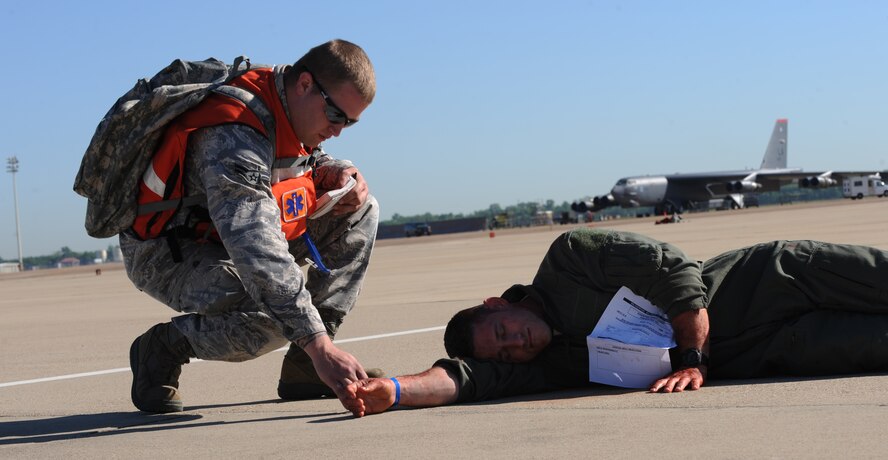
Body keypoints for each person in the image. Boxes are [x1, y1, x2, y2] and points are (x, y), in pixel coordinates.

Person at [344, 228, 888, 417]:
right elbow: (467, 380)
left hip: (772, 279)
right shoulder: (551, 366)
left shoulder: (571, 259)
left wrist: (692, 358)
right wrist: (393, 389)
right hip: (776, 347)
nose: (516, 345)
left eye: (504, 332)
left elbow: (672, 269)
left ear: (497, 304)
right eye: (506, 353)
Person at [123, 39, 382, 413]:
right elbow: (257, 248)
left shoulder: (288, 105)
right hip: (169, 252)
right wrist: (318, 342)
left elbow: (304, 158)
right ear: (306, 84)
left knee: (361, 209)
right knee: (280, 315)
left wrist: (335, 171)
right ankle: (165, 345)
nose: (339, 130)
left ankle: (305, 368)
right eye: (336, 116)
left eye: (350, 122)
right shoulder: (234, 136)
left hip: (225, 237)